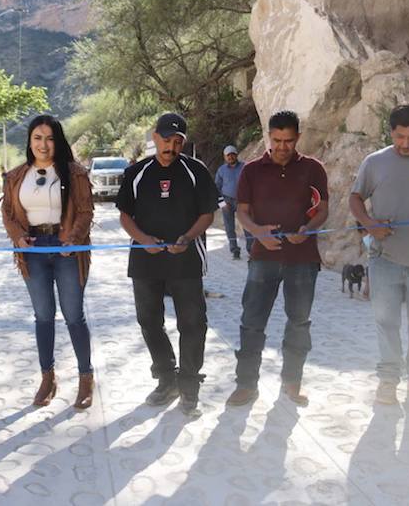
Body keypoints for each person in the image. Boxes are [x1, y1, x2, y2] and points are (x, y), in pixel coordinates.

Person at [116, 112, 219, 418]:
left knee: (193, 323)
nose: (171, 147)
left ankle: (189, 386)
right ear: (155, 137)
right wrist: (143, 239)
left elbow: (208, 214)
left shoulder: (196, 171)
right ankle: (166, 378)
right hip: (145, 261)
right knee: (148, 321)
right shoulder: (136, 173)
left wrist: (187, 237)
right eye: (166, 140)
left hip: (184, 259)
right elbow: (125, 215)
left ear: (183, 143)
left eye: (177, 142)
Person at [226, 110, 329, 407]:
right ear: (268, 137)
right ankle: (246, 385)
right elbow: (241, 211)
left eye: (289, 140)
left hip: (303, 258)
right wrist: (258, 232)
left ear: (298, 137)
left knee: (299, 322)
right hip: (263, 257)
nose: (283, 146)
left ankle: (292, 382)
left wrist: (308, 230)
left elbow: (322, 209)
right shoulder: (252, 170)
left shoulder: (314, 168)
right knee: (252, 322)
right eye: (277, 140)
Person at [2, 114, 95, 410]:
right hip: (33, 251)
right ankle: (48, 378)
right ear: (29, 141)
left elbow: (85, 211)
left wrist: (74, 238)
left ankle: (85, 378)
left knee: (73, 315)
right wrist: (18, 237)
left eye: (50, 138)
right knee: (43, 316)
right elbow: (8, 213)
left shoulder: (74, 173)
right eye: (37, 138)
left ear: (58, 141)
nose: (43, 144)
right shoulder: (17, 176)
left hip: (67, 249)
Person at [350, 102, 409, 406]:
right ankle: (388, 382)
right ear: (391, 132)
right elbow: (356, 198)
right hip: (384, 259)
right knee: (385, 320)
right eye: (399, 136)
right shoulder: (374, 162)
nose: (405, 143)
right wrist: (370, 225)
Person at [215, 145, 253, 259]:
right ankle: (234, 250)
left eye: (232, 154)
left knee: (247, 225)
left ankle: (251, 250)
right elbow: (216, 188)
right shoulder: (221, 170)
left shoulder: (245, 167)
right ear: (225, 157)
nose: (230, 157)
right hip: (227, 201)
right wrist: (222, 203)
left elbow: (252, 184)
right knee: (229, 227)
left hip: (242, 201)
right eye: (228, 155)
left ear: (236, 155)